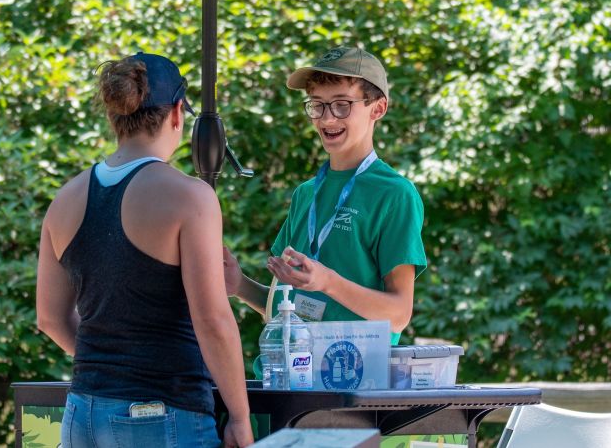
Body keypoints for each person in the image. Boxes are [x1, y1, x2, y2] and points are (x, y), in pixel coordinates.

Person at [36, 52, 253, 448]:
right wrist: (239, 417)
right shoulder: (190, 197)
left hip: (80, 414)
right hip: (163, 413)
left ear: (115, 117)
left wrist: (110, 368)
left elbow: (50, 319)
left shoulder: (64, 199)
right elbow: (212, 319)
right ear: (176, 114)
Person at [224, 46, 427, 345]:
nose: (327, 119)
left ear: (378, 108)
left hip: (352, 381)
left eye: (342, 105)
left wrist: (328, 282)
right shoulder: (306, 194)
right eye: (317, 105)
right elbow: (288, 308)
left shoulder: (395, 194)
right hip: (291, 376)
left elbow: (398, 314)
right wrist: (239, 285)